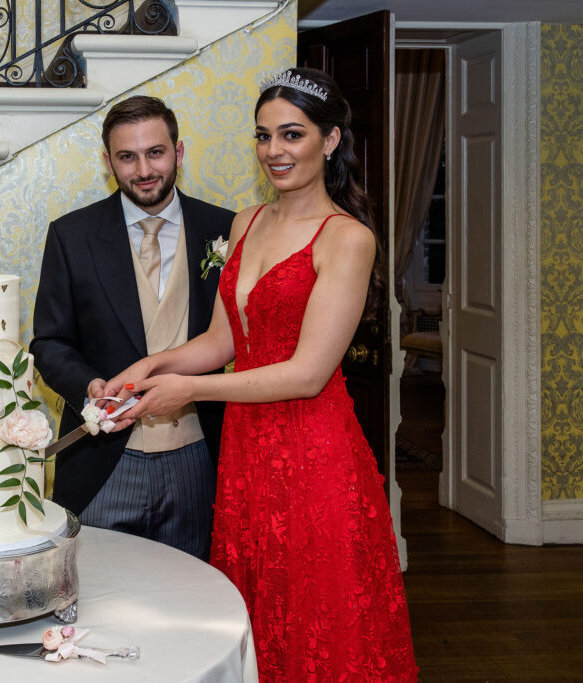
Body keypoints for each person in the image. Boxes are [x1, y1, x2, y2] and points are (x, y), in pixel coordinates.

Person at [103, 69, 418, 680]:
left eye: (292, 134)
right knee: (260, 608)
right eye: (263, 135)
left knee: (319, 618)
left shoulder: (347, 240)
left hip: (314, 451)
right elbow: (224, 341)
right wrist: (152, 366)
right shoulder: (245, 223)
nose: (274, 151)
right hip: (249, 454)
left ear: (329, 141)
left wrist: (189, 390)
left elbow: (305, 373)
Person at [30, 95, 234, 559]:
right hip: (104, 461)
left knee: (194, 596)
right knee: (99, 596)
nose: (144, 169)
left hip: (200, 456)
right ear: (108, 162)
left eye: (156, 152)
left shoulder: (226, 228)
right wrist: (89, 386)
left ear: (178, 153)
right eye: (127, 156)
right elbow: (49, 342)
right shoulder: (72, 235)